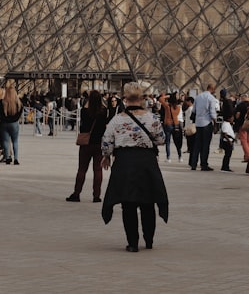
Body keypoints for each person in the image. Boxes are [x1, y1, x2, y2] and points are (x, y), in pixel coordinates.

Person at [101, 82, 168, 252]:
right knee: (147, 202)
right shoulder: (152, 118)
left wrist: (106, 155)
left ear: (125, 99)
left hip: (124, 162)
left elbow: (107, 141)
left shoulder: (116, 120)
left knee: (128, 203)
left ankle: (132, 243)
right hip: (146, 162)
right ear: (141, 98)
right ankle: (149, 239)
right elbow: (161, 140)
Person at [67, 90, 107, 202]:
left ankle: (76, 193)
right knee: (98, 170)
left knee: (82, 169)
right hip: (99, 143)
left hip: (86, 144)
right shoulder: (104, 111)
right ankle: (96, 195)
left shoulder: (84, 111)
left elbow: (82, 126)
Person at [189, 83, 217, 171]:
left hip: (198, 123)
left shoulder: (198, 97)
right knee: (205, 145)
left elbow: (194, 110)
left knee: (197, 144)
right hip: (206, 123)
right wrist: (216, 124)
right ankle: (204, 164)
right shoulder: (211, 98)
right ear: (212, 89)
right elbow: (212, 113)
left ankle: (193, 164)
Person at [0, 82, 23, 165]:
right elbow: (19, 113)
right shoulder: (19, 103)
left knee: (5, 141)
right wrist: (15, 119)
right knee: (15, 141)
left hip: (4, 123)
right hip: (14, 123)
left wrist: (4, 119)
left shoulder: (2, 103)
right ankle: (16, 158)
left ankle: (8, 157)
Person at [159, 92, 182, 163]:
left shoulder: (167, 106)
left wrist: (167, 96)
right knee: (177, 141)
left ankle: (168, 157)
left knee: (168, 142)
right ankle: (180, 156)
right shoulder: (178, 108)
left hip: (168, 124)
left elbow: (160, 99)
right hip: (176, 125)